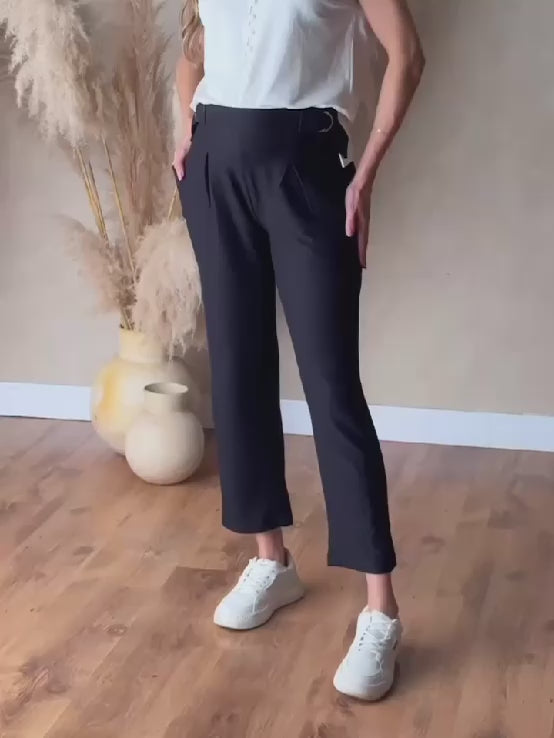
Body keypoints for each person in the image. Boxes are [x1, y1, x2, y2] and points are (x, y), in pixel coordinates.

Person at [174, 0, 424, 701]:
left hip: (306, 166)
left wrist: (366, 171)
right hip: (215, 168)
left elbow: (408, 56)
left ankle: (381, 612)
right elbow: (191, 48)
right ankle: (271, 560)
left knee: (331, 383)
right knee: (237, 371)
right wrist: (183, 130)